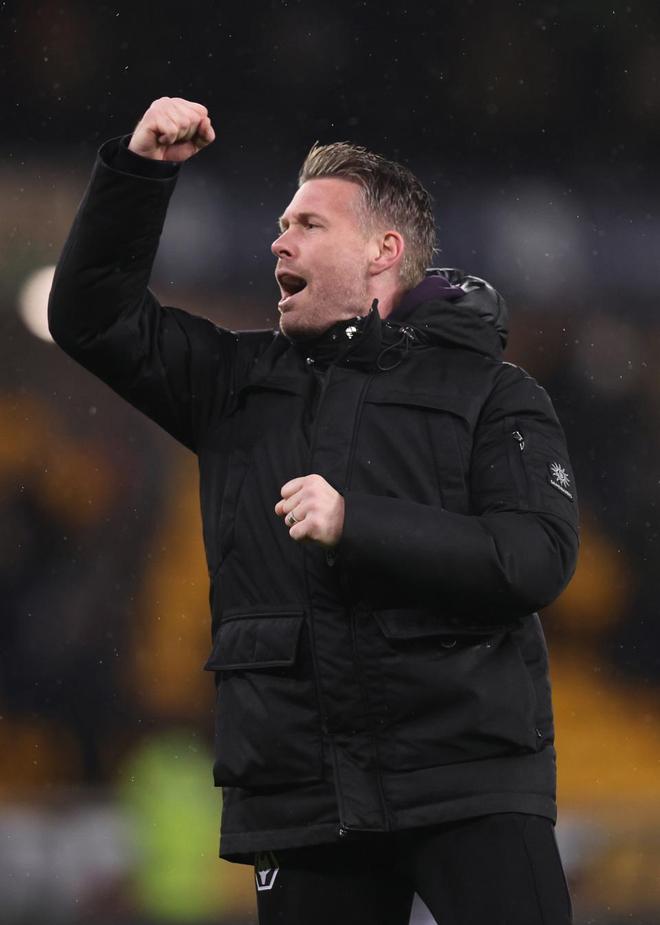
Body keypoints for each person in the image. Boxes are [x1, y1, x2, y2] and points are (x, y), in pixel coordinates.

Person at [48, 97, 579, 924]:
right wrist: (139, 173)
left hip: (466, 778)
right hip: (301, 791)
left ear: (382, 252)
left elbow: (535, 557)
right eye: (280, 224)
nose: (279, 241)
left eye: (307, 224)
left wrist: (356, 522)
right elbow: (91, 319)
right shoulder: (235, 383)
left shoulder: (494, 393)